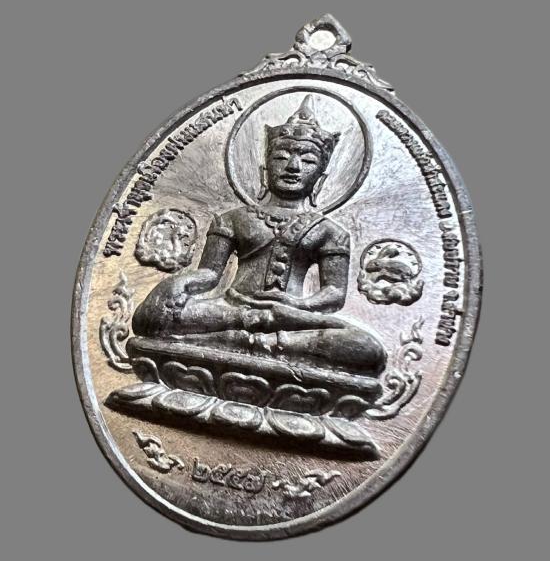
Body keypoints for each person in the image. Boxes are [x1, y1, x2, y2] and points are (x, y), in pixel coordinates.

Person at [133, 96, 386, 377]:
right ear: (265, 169)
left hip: (289, 318)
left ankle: (234, 343)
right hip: (232, 310)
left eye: (307, 160)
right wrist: (178, 285)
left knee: (366, 348)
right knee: (151, 318)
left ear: (321, 178)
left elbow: (334, 293)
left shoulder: (331, 232)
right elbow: (209, 273)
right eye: (281, 157)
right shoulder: (231, 219)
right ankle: (256, 343)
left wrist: (298, 305)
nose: (293, 166)